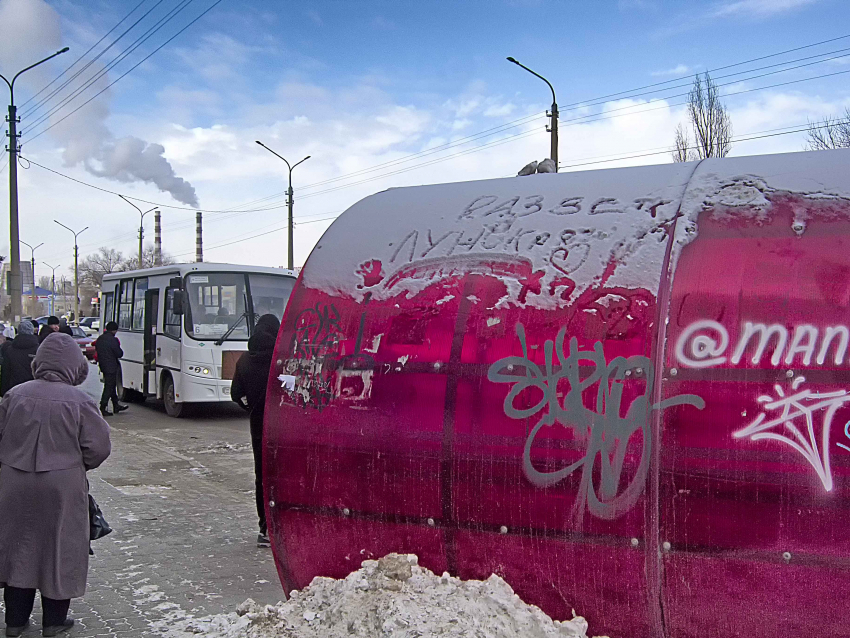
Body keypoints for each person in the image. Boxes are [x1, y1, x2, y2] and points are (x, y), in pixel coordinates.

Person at [0, 333, 111, 637]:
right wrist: (75, 465)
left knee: (18, 547)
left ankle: (15, 621)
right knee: (60, 548)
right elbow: (98, 447)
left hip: (12, 483)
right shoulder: (80, 401)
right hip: (62, 487)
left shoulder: (15, 395)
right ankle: (54, 622)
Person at [231, 314, 280, 548]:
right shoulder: (281, 359)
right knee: (282, 477)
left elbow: (235, 395)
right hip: (283, 428)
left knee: (262, 477)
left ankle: (265, 528)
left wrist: (251, 407)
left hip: (258, 427)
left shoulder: (244, 361)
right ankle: (282, 525)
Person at [94, 322, 127, 417]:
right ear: (114, 330)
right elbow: (119, 353)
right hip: (111, 366)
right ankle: (103, 407)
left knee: (111, 386)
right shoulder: (113, 340)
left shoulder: (100, 339)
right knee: (109, 387)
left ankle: (116, 405)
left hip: (103, 366)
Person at [0, 321, 40, 396]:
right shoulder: (38, 350)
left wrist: (3, 393)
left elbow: (5, 373)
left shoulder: (10, 351)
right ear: (32, 331)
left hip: (13, 392)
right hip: (34, 392)